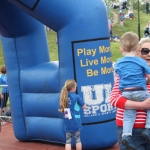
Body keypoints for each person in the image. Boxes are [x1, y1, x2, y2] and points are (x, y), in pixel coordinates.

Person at [110, 37, 150, 150]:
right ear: (137, 52)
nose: (148, 54)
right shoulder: (126, 74)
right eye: (145, 51)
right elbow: (113, 99)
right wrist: (142, 105)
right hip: (131, 133)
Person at [58, 79, 86, 150]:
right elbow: (84, 107)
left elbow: (60, 110)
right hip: (76, 121)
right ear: (73, 88)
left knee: (68, 141)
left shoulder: (63, 98)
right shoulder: (77, 97)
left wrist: (66, 110)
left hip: (67, 122)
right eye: (76, 87)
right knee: (78, 139)